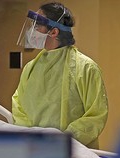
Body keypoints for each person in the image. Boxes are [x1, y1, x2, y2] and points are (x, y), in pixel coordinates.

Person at [12, 2, 108, 149]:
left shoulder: (86, 68)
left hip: (74, 154)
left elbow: (95, 115)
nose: (33, 30)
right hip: (34, 151)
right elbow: (18, 106)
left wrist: (62, 142)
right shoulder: (30, 68)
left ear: (54, 32)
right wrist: (32, 138)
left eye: (37, 25)